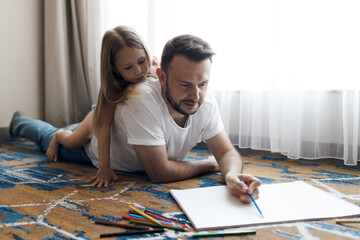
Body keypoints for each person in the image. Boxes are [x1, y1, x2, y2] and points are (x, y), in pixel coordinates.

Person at [10, 34, 261, 203]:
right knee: (49, 137)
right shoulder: (140, 99)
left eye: (203, 83)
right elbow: (159, 172)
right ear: (161, 77)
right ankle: (20, 122)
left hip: (113, 118)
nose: (196, 95)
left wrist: (230, 175)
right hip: (93, 144)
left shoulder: (204, 99)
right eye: (185, 84)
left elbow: (226, 153)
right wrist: (207, 164)